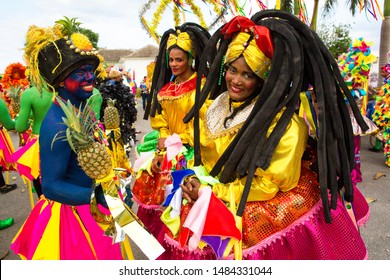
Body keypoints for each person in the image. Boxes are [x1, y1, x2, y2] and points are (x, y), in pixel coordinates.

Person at [156, 12, 370, 260]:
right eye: (232, 70)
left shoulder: (284, 126)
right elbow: (204, 156)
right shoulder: (213, 105)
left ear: (263, 79)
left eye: (247, 75)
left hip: (254, 208)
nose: (235, 81)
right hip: (209, 197)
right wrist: (192, 176)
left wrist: (214, 194)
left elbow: (269, 185)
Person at [10, 28, 131, 260]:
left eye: (91, 71)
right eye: (80, 72)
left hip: (92, 204)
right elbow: (51, 186)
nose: (90, 78)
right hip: (75, 217)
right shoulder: (57, 125)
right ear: (62, 81)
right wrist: (98, 198)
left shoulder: (81, 107)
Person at [131, 23, 210, 245]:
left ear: (191, 58)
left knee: (187, 208)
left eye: (179, 59)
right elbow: (162, 124)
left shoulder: (203, 86)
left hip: (196, 152)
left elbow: (205, 124)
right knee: (164, 207)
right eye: (171, 60)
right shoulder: (165, 91)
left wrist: (181, 140)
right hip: (170, 153)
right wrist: (163, 145)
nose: (174, 64)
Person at [371, 63, 390, 166]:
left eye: (384, 71)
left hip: (386, 114)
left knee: (385, 134)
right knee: (383, 133)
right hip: (383, 114)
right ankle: (378, 147)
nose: (382, 73)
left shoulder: (388, 83)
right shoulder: (386, 81)